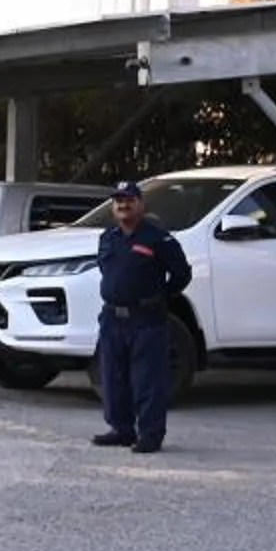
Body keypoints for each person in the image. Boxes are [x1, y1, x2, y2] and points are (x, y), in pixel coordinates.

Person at [92, 180, 191, 454]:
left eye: (129, 200)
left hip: (146, 319)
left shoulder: (158, 237)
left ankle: (150, 434)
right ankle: (121, 430)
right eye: (118, 201)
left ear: (140, 204)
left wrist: (160, 297)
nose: (123, 205)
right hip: (112, 319)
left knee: (148, 380)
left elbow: (182, 273)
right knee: (113, 378)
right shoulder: (108, 237)